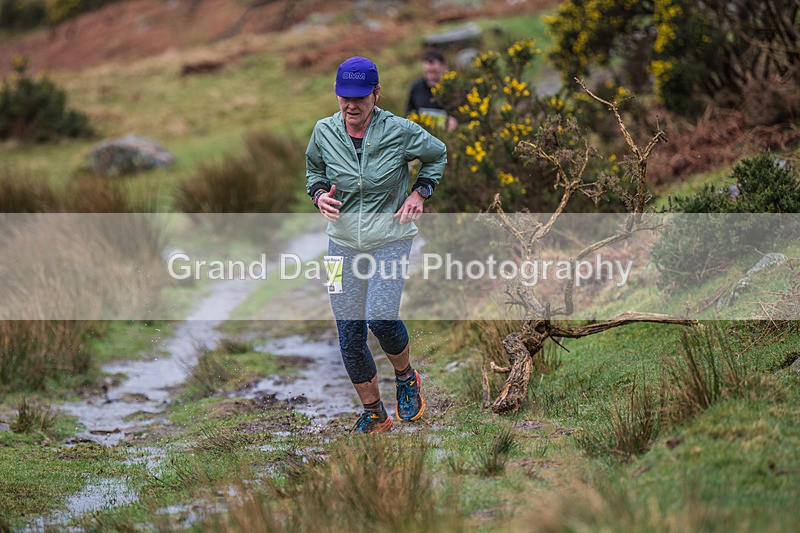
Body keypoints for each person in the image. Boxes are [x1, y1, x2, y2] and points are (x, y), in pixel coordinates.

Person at [306, 56, 447, 433]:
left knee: (380, 316)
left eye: (359, 97)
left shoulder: (399, 131)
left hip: (391, 238)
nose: (351, 105)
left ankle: (406, 377)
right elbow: (313, 172)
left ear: (376, 93)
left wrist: (420, 191)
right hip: (340, 244)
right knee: (349, 332)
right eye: (343, 96)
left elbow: (438, 154)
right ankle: (374, 413)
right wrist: (318, 195)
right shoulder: (323, 132)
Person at [406, 49, 456, 130]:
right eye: (427, 72)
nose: (431, 77)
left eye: (435, 72)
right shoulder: (417, 88)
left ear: (444, 67)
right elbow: (408, 116)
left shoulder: (455, 89)